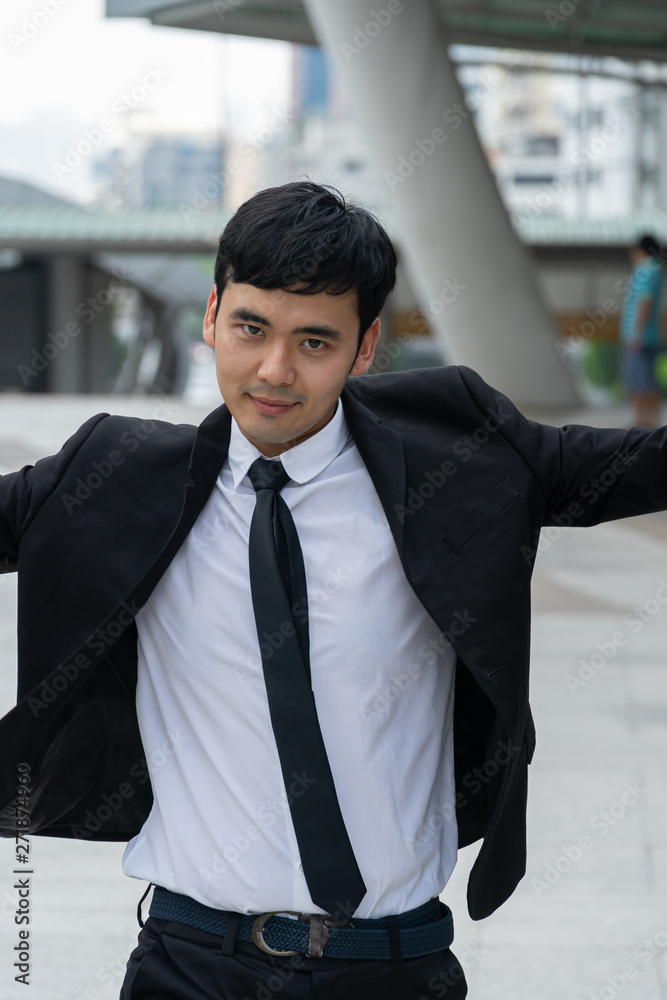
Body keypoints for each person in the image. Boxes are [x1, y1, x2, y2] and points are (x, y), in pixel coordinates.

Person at [0, 181, 666, 999]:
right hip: (191, 963)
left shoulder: (457, 461)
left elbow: (635, 466)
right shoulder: (113, 477)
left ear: (364, 346)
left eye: (314, 341)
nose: (274, 370)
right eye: (250, 328)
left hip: (395, 968)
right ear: (211, 315)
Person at [620, 233, 665, 427]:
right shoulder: (655, 269)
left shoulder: (646, 269)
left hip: (641, 337)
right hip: (650, 335)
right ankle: (651, 422)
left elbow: (645, 300)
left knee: (639, 382)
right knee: (647, 381)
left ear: (640, 250)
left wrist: (637, 333)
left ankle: (642, 423)